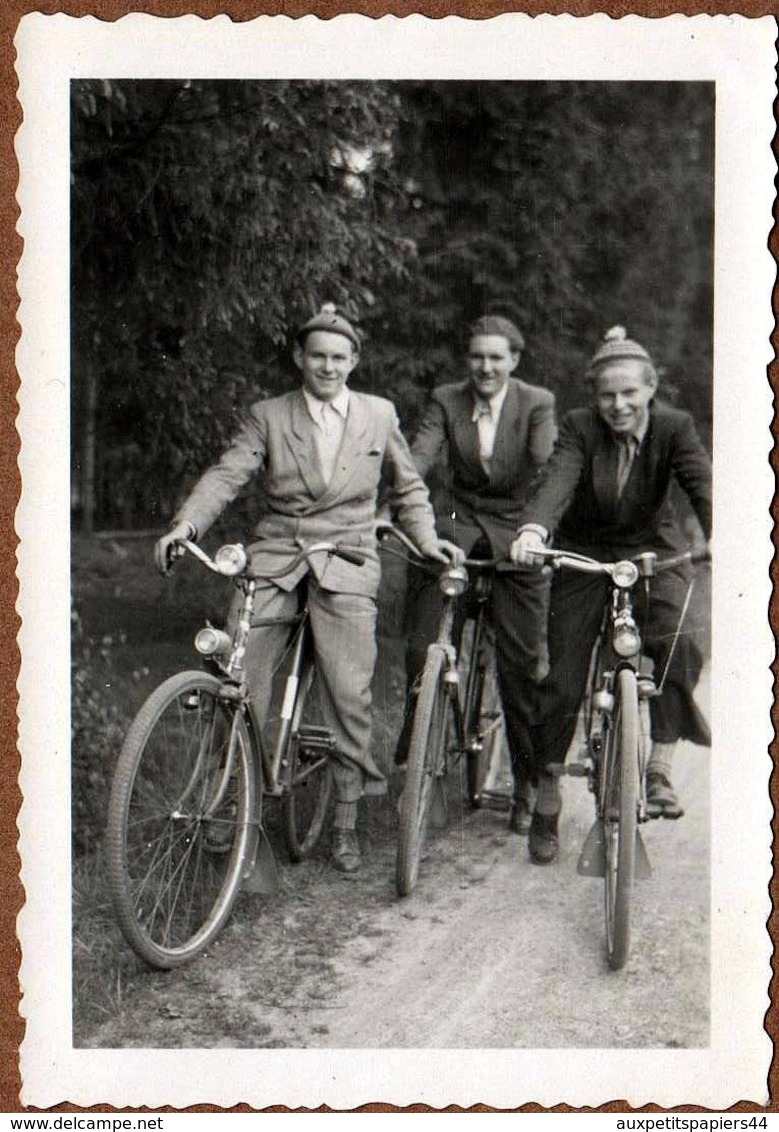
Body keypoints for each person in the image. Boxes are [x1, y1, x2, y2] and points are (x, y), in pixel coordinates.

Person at [155, 303, 460, 874]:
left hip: (346, 556)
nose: (327, 367)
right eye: (316, 356)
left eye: (338, 358)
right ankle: (227, 802)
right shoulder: (269, 415)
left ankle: (344, 818)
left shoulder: (378, 414)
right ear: (299, 357)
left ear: (354, 361)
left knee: (349, 690)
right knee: (238, 680)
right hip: (276, 555)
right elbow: (228, 473)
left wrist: (427, 540)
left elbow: (410, 485)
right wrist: (187, 524)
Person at [511, 326, 712, 866]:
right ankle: (548, 792)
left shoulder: (675, 427)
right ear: (594, 396)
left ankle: (660, 766)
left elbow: (703, 486)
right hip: (587, 552)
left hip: (652, 551)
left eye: (629, 393)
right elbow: (558, 480)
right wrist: (535, 530)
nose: (618, 405)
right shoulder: (579, 427)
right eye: (607, 395)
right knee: (561, 675)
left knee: (681, 641)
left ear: (650, 388)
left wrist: (722, 532)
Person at [398, 314, 557, 835]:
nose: (486, 367)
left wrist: (541, 526)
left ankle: (528, 778)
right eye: (477, 357)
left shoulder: (536, 403)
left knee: (523, 665)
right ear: (468, 361)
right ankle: (417, 729)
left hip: (517, 532)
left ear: (514, 360)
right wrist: (394, 503)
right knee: (425, 631)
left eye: (497, 358)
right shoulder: (447, 399)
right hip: (458, 525)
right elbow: (418, 457)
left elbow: (549, 466)